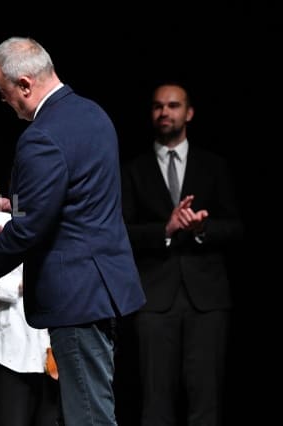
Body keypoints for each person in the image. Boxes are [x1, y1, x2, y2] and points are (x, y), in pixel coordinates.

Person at [0, 36, 146, 426]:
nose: (5, 102)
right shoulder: (93, 114)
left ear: (25, 85)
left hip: (76, 295)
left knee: (88, 415)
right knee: (93, 406)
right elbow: (75, 195)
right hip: (102, 287)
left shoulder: (41, 135)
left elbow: (30, 230)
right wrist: (15, 206)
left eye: (4, 94)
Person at [120, 82, 243, 425]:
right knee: (155, 402)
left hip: (207, 299)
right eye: (158, 106)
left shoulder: (213, 165)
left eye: (173, 106)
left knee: (206, 400)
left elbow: (236, 227)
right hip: (154, 299)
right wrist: (166, 229)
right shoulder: (133, 169)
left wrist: (203, 228)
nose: (165, 112)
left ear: (188, 113)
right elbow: (121, 233)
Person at [0, 211, 62, 426]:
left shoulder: (57, 220)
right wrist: (25, 284)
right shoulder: (0, 222)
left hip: (54, 347)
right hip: (12, 346)